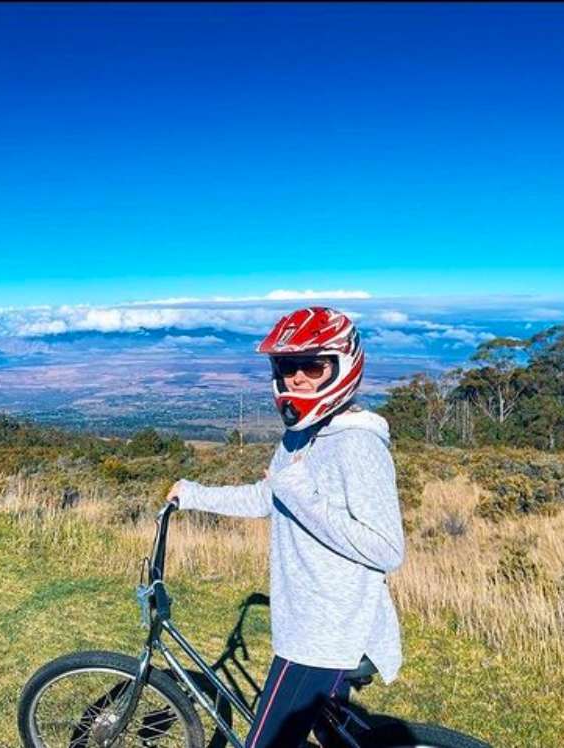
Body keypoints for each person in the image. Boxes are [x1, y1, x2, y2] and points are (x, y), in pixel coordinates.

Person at [167, 306, 406, 748]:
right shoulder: (302, 432)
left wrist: (300, 492)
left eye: (312, 367)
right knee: (327, 733)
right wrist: (195, 495)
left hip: (325, 632)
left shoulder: (356, 442)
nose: (296, 378)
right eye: (286, 366)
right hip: (306, 620)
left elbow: (387, 548)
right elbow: (270, 498)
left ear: (341, 366)